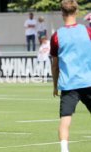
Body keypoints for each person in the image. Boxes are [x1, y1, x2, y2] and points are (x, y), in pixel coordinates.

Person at [50, 1, 91, 152]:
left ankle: (64, 150)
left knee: (65, 120)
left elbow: (55, 64)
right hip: (88, 82)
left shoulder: (56, 36)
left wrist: (55, 86)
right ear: (77, 11)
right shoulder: (87, 31)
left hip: (68, 84)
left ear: (61, 13)